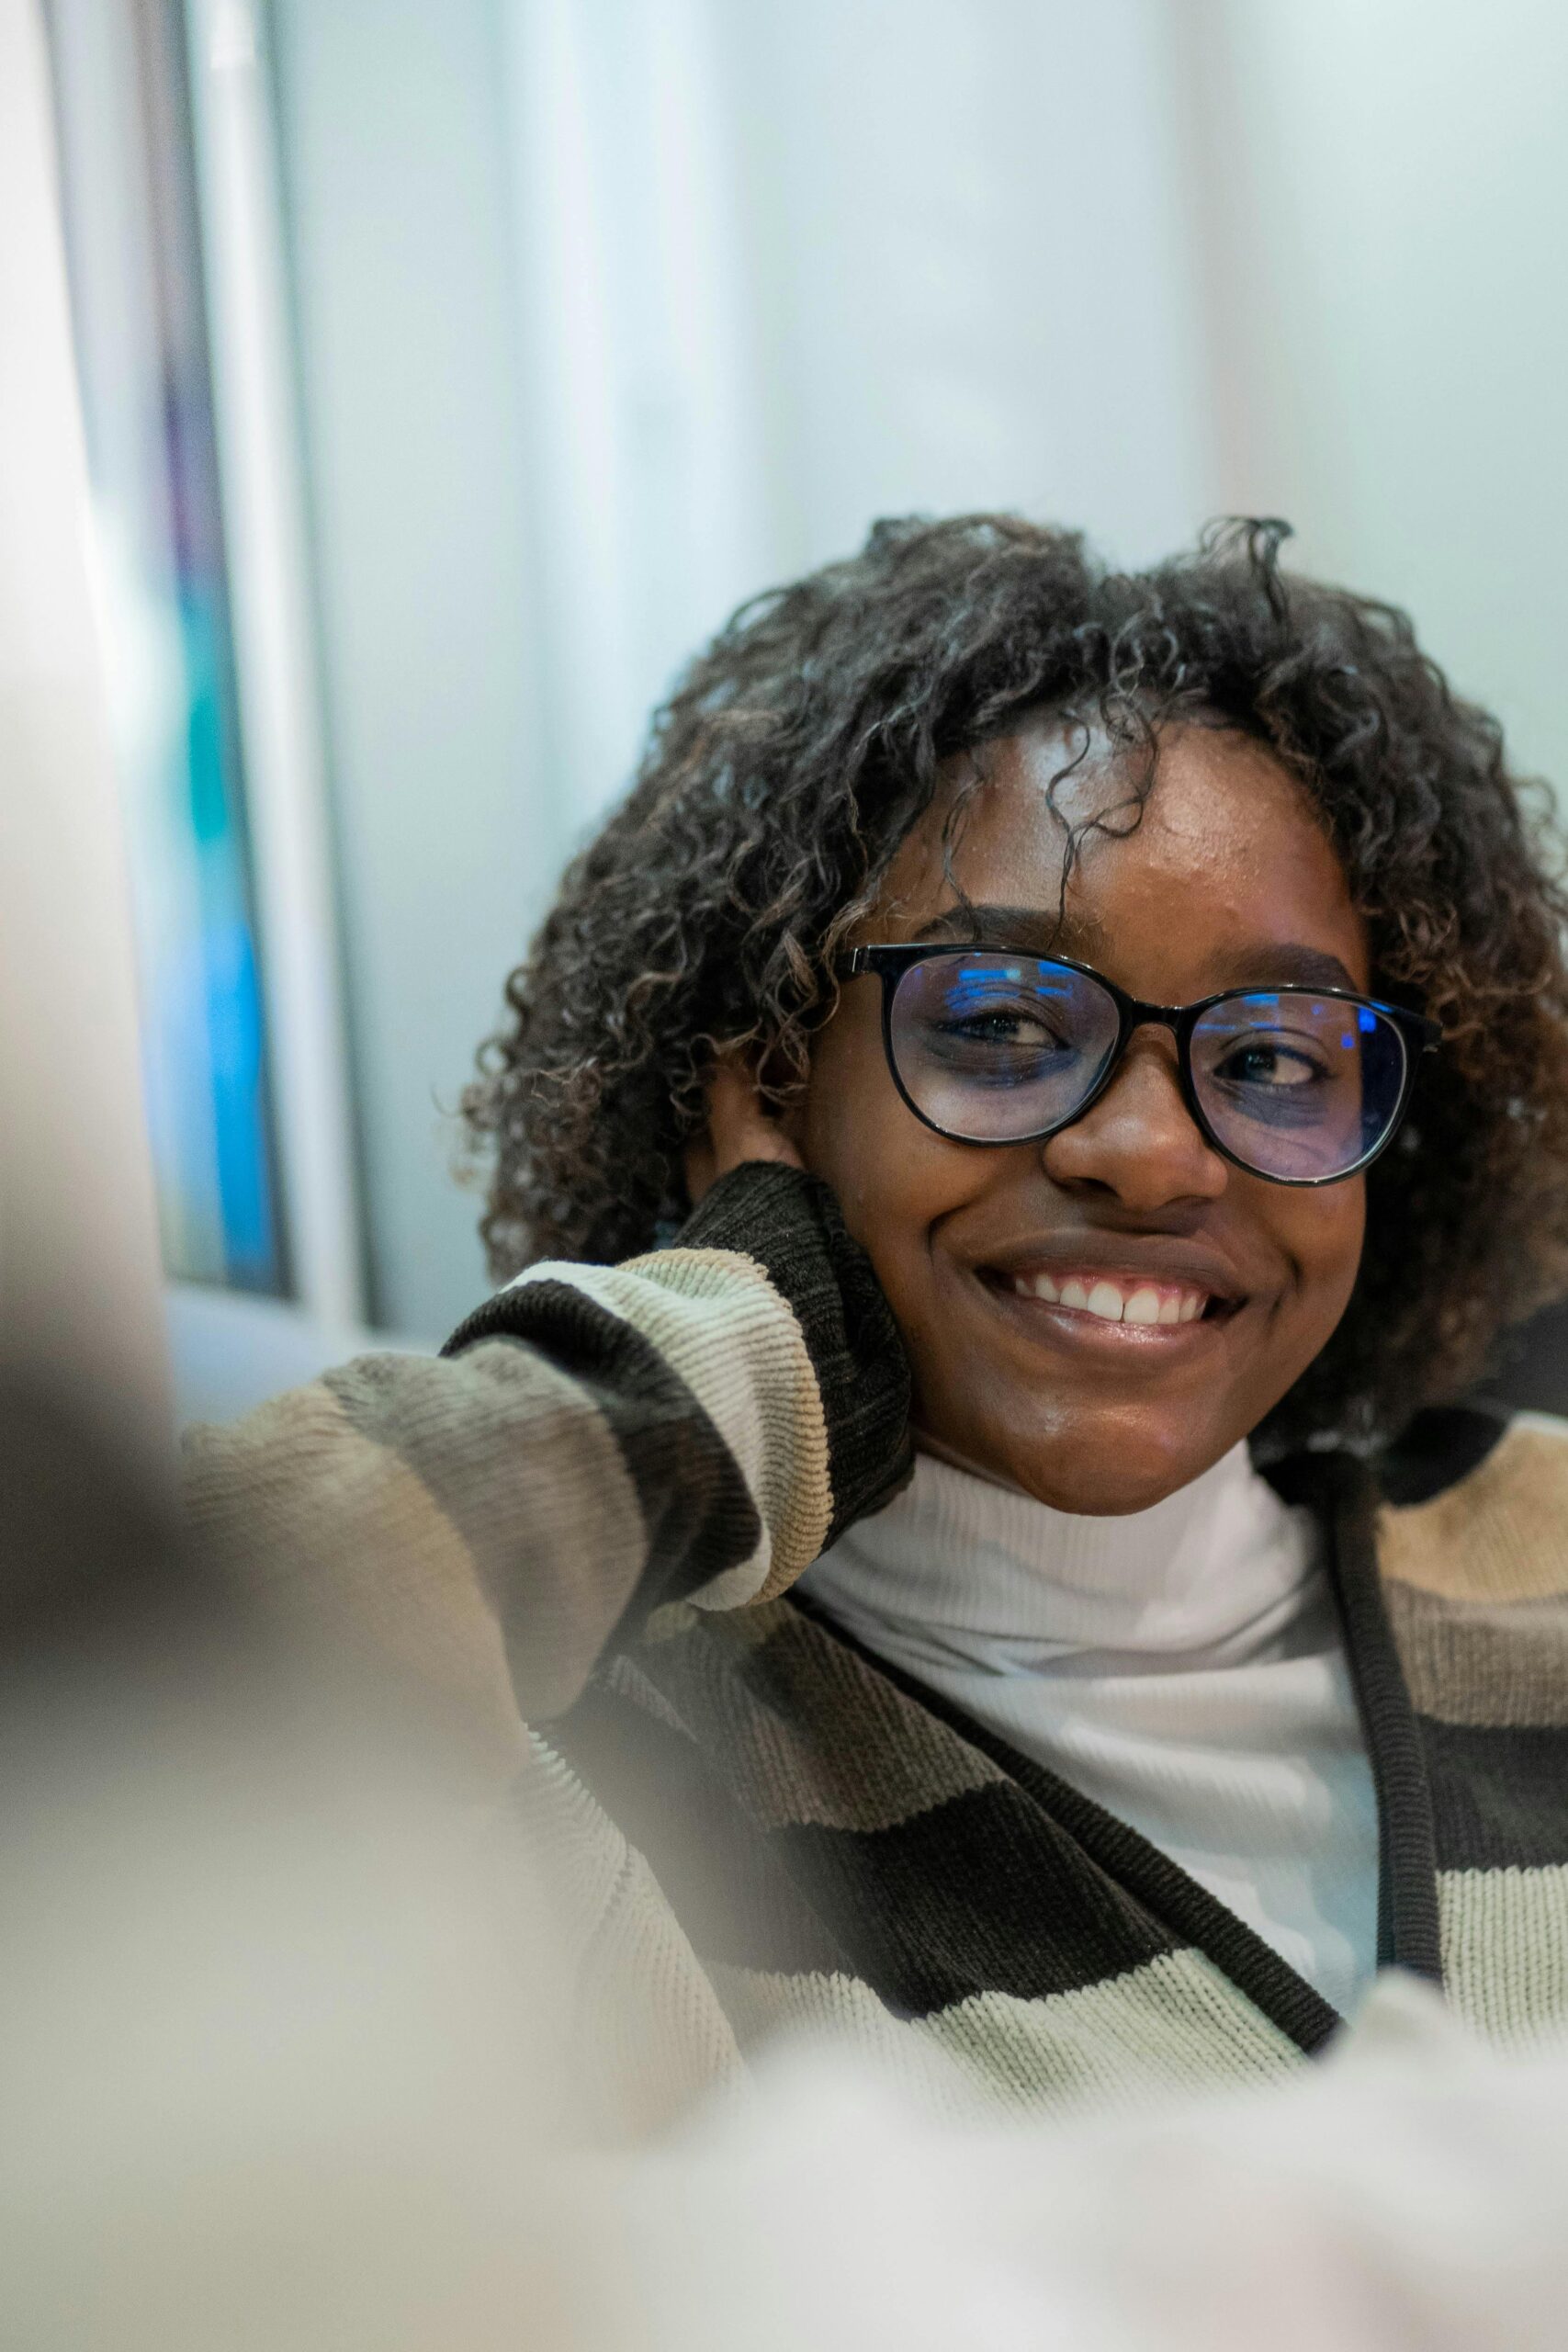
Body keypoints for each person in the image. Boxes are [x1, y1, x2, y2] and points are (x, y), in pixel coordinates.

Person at [189, 515, 1568, 2137]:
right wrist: (723, 1352)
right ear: (771, 1075)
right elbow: (136, 1714)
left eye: (1274, 1060)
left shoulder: (1543, 1550)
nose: (1148, 1152)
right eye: (998, 1024)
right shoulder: (612, 1760)